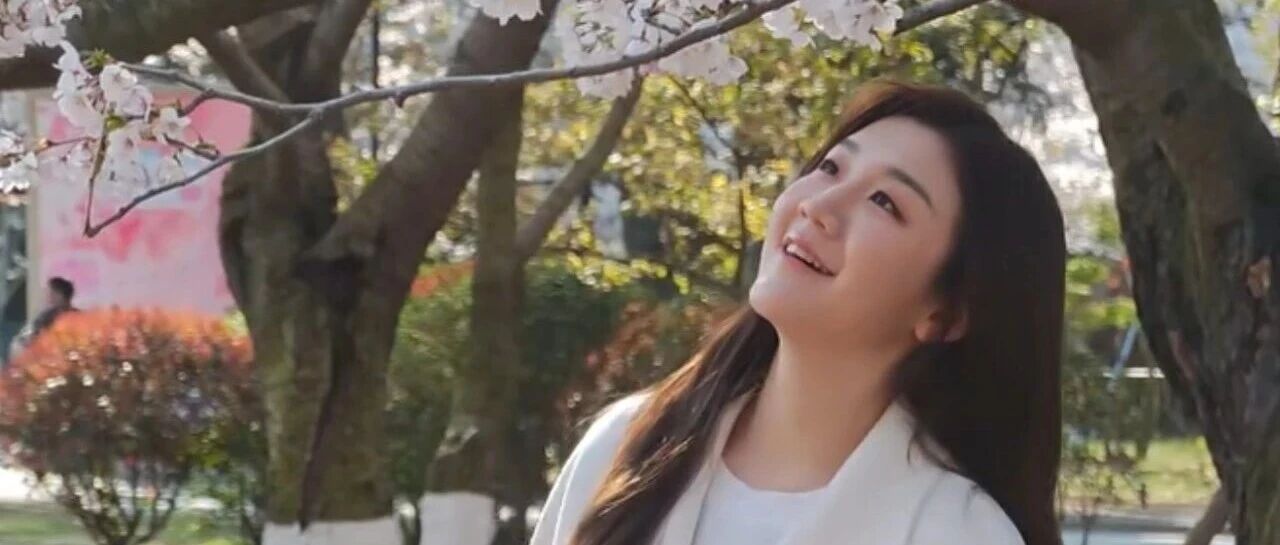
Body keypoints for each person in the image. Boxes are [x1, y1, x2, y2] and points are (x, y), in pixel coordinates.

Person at [530, 81, 1065, 545]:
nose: (819, 207)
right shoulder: (623, 446)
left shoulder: (956, 531)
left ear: (944, 314)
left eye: (884, 202)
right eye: (831, 167)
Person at [10, 277, 77, 356]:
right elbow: (26, 338)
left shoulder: (48, 316)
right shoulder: (46, 316)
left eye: (50, 293)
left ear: (60, 295)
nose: (47, 296)